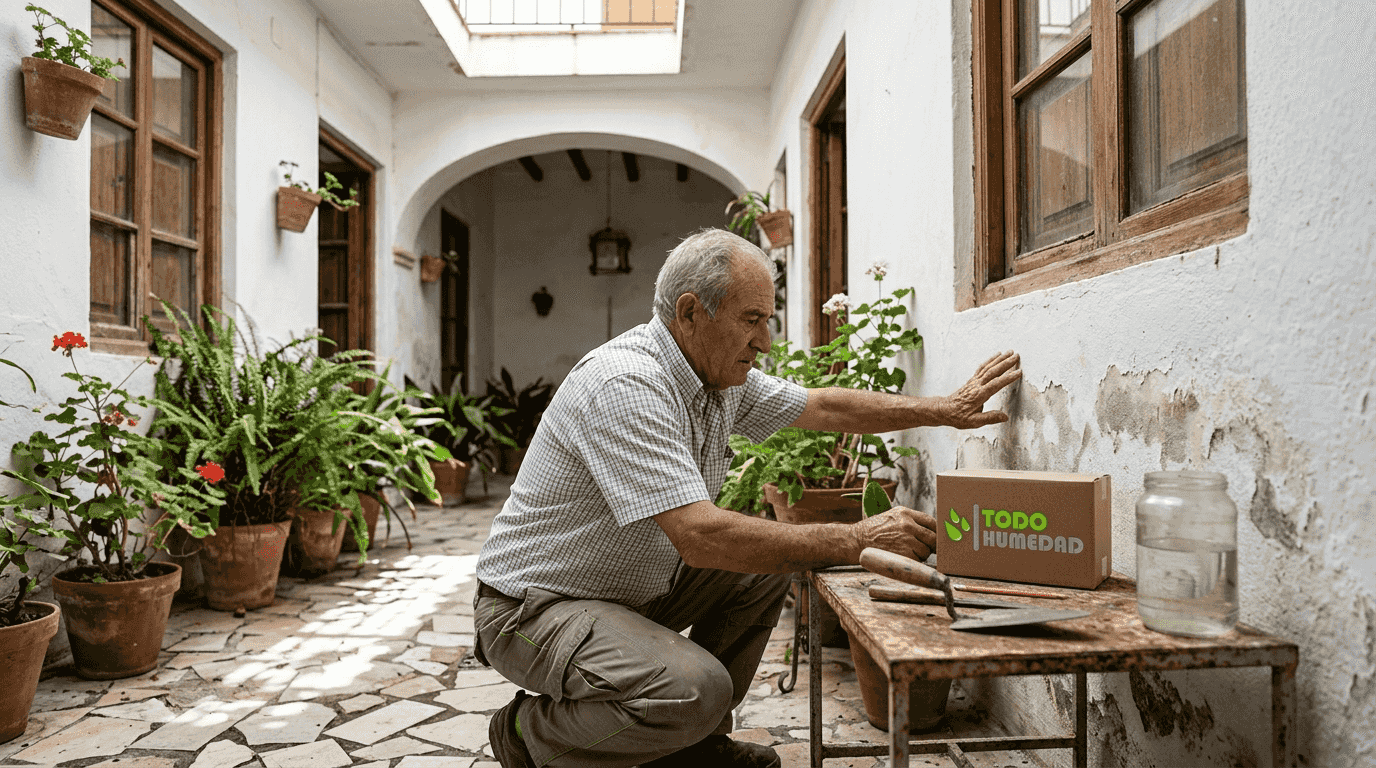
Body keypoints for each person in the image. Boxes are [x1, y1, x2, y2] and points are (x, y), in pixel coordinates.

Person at [474, 229, 1022, 768]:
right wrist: (858, 538)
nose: (765, 342)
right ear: (691, 314)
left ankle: (690, 745)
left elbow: (823, 408)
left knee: (761, 568)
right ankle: (528, 735)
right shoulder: (628, 384)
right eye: (751, 321)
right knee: (694, 689)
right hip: (532, 610)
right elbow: (701, 537)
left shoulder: (715, 378)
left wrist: (944, 410)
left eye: (768, 321)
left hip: (623, 590)